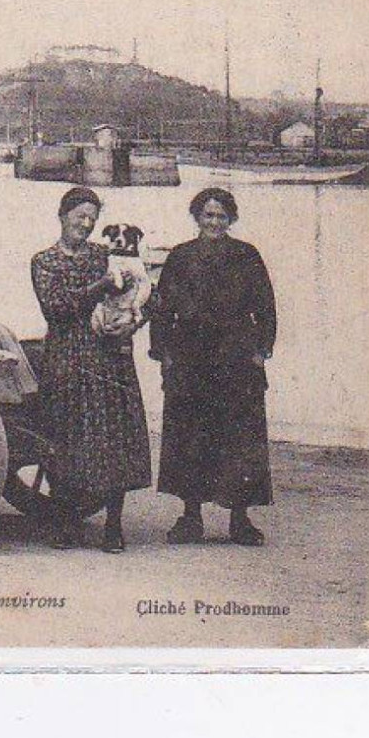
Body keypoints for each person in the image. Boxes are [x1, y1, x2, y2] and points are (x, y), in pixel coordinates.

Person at [150, 187, 277, 546]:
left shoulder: (247, 256)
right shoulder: (180, 257)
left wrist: (260, 352)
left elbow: (265, 308)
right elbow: (162, 311)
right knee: (190, 436)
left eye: (221, 216)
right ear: (197, 217)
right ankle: (191, 518)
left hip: (236, 361)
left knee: (239, 438)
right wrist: (164, 354)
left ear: (231, 219)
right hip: (191, 360)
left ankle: (240, 520)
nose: (214, 222)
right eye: (208, 215)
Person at [30, 186, 153, 552]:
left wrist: (134, 321)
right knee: (66, 441)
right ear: (62, 216)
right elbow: (54, 309)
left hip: (109, 355)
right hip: (67, 356)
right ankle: (68, 523)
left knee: (114, 440)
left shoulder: (108, 253)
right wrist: (98, 287)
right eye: (79, 216)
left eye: (91, 219)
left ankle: (113, 526)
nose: (85, 224)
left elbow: (149, 293)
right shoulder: (44, 260)